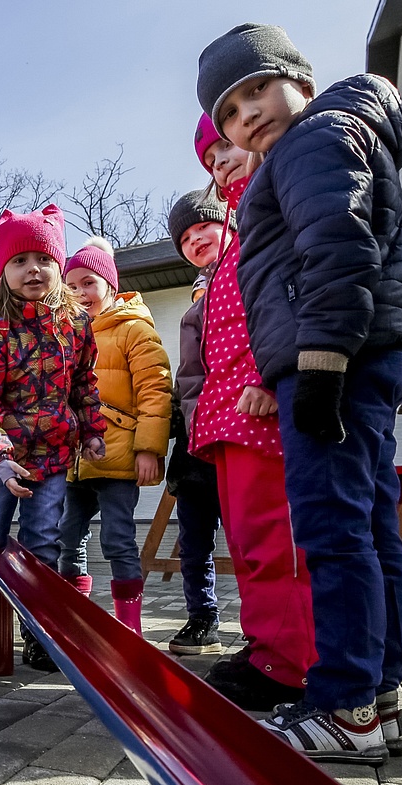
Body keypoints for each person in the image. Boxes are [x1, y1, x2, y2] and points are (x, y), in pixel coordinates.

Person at [199, 24, 402, 763]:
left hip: (333, 361)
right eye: (228, 110)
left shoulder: (313, 141)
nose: (246, 115)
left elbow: (337, 244)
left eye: (258, 88)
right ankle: (380, 692)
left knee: (332, 529)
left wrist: (319, 365)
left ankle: (343, 701)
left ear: (302, 80)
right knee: (371, 524)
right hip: (362, 355)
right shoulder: (329, 137)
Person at [175, 107, 317, 711]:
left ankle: (291, 661)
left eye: (225, 147)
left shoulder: (274, 205)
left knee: (275, 538)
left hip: (259, 403)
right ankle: (267, 647)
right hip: (225, 413)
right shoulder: (241, 225)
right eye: (209, 159)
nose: (221, 161)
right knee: (248, 538)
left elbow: (287, 300)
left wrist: (266, 375)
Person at [0, 206, 105, 669]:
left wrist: (92, 429)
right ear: (4, 269)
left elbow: (84, 383)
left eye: (44, 259)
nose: (33, 269)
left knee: (43, 541)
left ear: (59, 266)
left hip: (51, 453)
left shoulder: (76, 324)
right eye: (20, 260)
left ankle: (40, 632)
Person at [59, 238, 171, 634]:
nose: (79, 293)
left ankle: (130, 625)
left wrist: (149, 449)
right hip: (72, 459)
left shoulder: (134, 330)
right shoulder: (64, 336)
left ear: (109, 284)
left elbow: (155, 391)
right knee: (67, 536)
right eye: (70, 286)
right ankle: (74, 620)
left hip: (119, 453)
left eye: (88, 283)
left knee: (117, 539)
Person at [164, 186, 235, 655]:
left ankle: (261, 624)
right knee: (194, 542)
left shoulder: (245, 284)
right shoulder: (193, 325)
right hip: (194, 454)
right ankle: (201, 615)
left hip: (237, 439)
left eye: (203, 228)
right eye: (184, 237)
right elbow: (181, 391)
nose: (195, 240)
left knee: (250, 537)